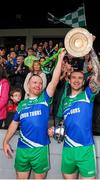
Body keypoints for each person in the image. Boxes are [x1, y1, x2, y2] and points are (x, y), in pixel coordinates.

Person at [3, 49, 66, 179]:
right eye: (35, 82)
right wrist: (5, 141)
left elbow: (54, 80)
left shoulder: (44, 99)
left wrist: (60, 58)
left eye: (40, 83)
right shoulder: (21, 104)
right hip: (22, 149)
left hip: (40, 149)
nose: (38, 85)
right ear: (28, 85)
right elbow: (14, 124)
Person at [48, 46, 100, 179]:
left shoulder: (87, 95)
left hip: (85, 149)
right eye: (74, 78)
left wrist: (90, 49)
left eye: (80, 78)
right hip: (68, 149)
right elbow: (62, 123)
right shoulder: (65, 100)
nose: (77, 80)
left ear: (84, 82)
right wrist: (55, 131)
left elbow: (98, 73)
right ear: (69, 79)